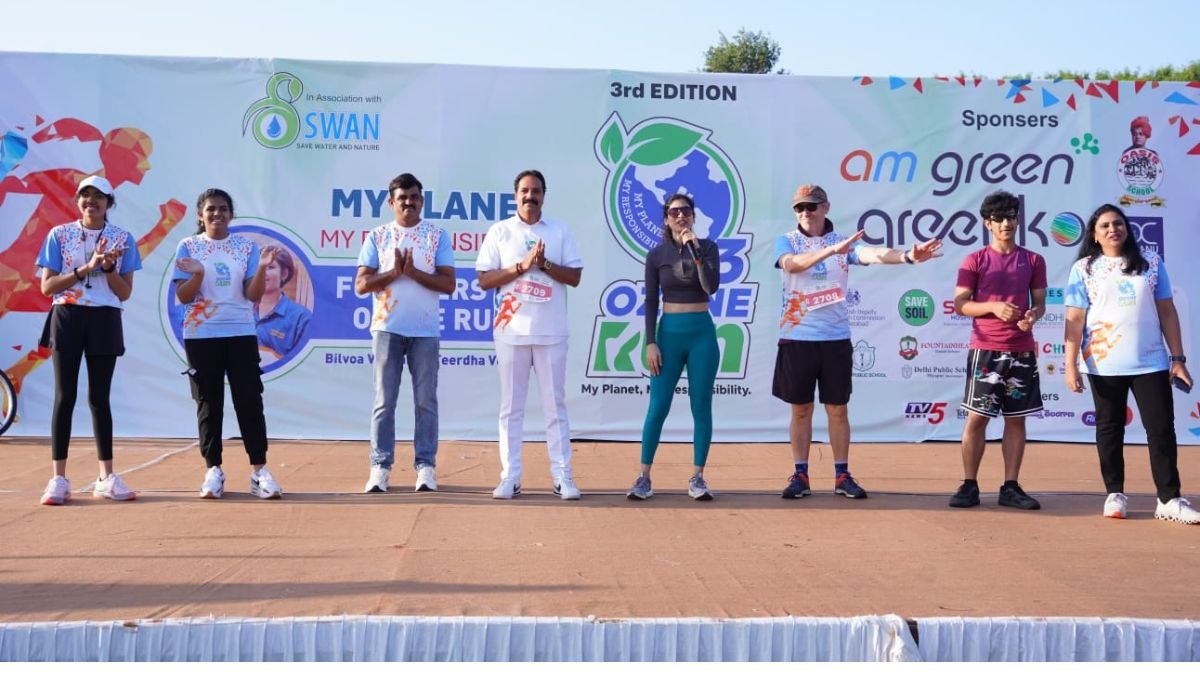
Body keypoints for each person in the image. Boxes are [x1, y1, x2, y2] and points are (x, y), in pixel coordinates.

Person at [774, 184, 942, 500]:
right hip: (797, 337)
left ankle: (841, 474)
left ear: (826, 207)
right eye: (800, 208)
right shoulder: (788, 240)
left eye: (812, 206)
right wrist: (829, 252)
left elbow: (873, 253)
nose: (806, 212)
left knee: (837, 409)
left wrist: (907, 256)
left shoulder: (843, 242)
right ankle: (800, 474)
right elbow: (791, 264)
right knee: (801, 410)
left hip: (835, 339)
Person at [1063, 203, 1197, 524]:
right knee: (1109, 429)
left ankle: (1168, 498)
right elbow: (1075, 318)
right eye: (1105, 226)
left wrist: (1177, 358)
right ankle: (1115, 493)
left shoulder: (1151, 262)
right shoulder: (1084, 268)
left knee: (1161, 429)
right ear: (1095, 235)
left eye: (1118, 224)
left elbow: (1167, 311)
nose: (1113, 229)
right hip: (1103, 363)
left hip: (1150, 362)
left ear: (1127, 229)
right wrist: (1069, 364)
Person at [476, 169, 583, 500]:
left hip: (551, 332)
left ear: (543, 195)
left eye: (535, 191)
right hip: (511, 332)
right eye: (524, 190)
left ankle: (562, 476)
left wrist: (545, 265)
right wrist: (521, 267)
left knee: (555, 407)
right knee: (511, 408)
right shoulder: (501, 231)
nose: (529, 196)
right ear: (515, 195)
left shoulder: (559, 230)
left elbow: (575, 277)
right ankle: (510, 476)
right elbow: (483, 279)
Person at [35, 175, 142, 505]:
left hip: (104, 318)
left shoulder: (122, 239)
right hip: (67, 316)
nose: (91, 202)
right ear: (77, 201)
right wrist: (87, 268)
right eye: (85, 196)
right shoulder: (59, 234)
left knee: (100, 397)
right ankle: (58, 479)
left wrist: (108, 269)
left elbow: (124, 293)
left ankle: (106, 477)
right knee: (64, 396)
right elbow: (47, 287)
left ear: (110, 203)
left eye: (99, 196)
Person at [173, 188, 282, 500]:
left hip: (240, 332)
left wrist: (261, 268)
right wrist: (197, 274)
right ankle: (214, 470)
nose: (216, 214)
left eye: (223, 209)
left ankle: (259, 471)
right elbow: (183, 295)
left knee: (249, 401)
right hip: (201, 335)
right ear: (200, 215)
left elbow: (252, 295)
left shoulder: (245, 247)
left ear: (231, 214)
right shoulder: (189, 246)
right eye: (210, 209)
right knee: (209, 403)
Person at [355, 173, 455, 493]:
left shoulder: (436, 236)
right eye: (402, 198)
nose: (408, 203)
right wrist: (393, 273)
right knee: (384, 402)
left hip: (424, 332)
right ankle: (379, 468)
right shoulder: (378, 236)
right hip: (387, 329)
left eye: (414, 197)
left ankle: (425, 466)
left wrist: (413, 273)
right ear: (391, 202)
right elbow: (361, 285)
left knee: (426, 402)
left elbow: (448, 284)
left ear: (422, 200)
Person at [949, 190, 1046, 510]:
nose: (1007, 223)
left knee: (1016, 420)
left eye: (1012, 217)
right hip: (986, 350)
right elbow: (961, 305)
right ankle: (969, 484)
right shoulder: (974, 260)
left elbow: (1040, 304)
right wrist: (993, 307)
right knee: (976, 420)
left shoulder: (1033, 260)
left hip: (1022, 350)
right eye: (1000, 218)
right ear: (988, 223)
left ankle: (1011, 486)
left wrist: (1032, 316)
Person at [627, 193, 721, 501]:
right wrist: (650, 342)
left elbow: (710, 286)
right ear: (666, 218)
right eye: (674, 212)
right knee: (658, 407)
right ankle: (644, 477)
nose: (680, 216)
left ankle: (697, 477)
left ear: (693, 216)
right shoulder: (656, 255)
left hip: (701, 336)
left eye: (686, 211)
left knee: (701, 406)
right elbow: (651, 301)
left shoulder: (707, 248)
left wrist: (694, 249)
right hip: (668, 335)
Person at [255, 246, 312, 364]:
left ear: (284, 274)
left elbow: (303, 364)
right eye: (260, 267)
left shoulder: (301, 318)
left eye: (270, 267)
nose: (263, 273)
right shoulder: (240, 310)